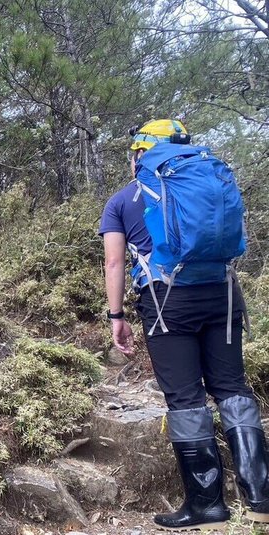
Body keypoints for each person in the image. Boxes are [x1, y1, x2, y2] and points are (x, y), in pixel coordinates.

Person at [100, 119, 269, 530]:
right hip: (223, 294)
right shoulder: (209, 180)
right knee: (232, 389)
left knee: (187, 398)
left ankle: (207, 506)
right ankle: (261, 498)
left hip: (166, 302)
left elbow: (114, 261)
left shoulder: (123, 200)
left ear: (141, 153)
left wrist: (116, 316)